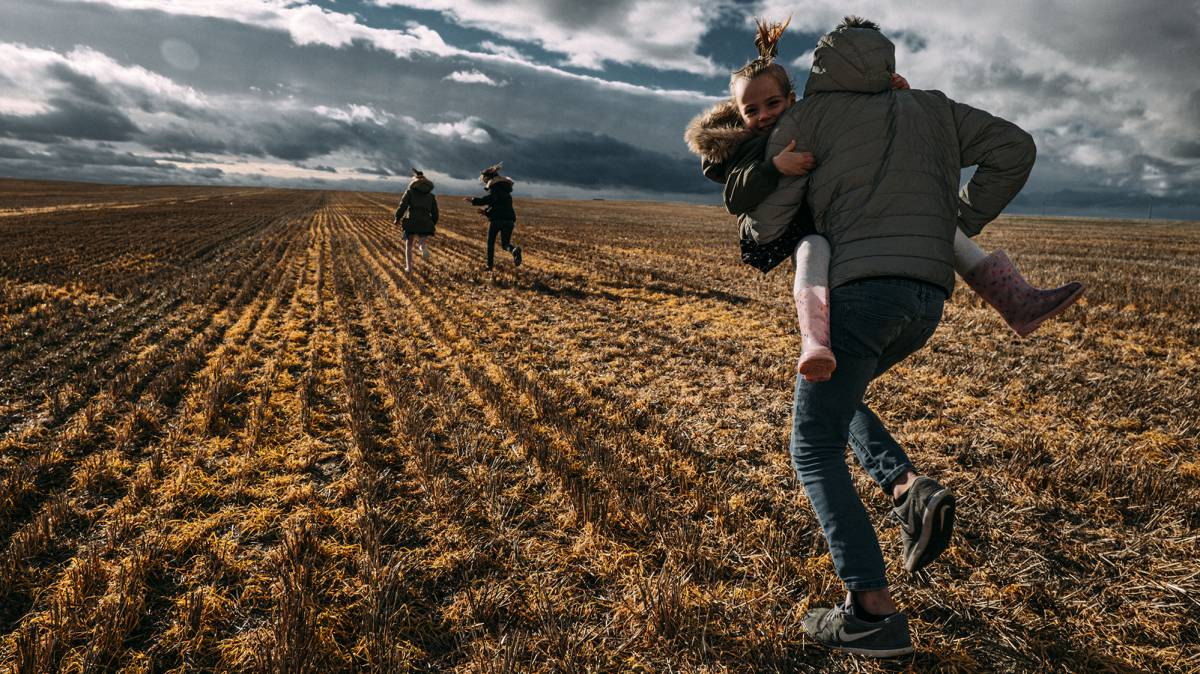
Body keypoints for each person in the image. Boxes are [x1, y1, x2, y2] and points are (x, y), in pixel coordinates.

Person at [686, 15, 1066, 657]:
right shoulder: (930, 106)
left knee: (811, 446)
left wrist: (759, 235)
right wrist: (960, 215)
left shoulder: (815, 119)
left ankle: (872, 611)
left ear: (819, 73)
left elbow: (768, 210)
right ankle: (905, 489)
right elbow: (1016, 147)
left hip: (861, 293)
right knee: (839, 396)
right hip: (927, 297)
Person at [684, 19, 1083, 385]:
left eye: (773, 104)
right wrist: (773, 167)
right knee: (814, 250)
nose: (764, 115)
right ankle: (815, 339)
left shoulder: (810, 116)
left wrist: (884, 91)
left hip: (826, 219)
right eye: (751, 110)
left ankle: (1016, 300)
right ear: (738, 115)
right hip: (785, 233)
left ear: (792, 98)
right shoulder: (746, 147)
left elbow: (849, 116)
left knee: (932, 225)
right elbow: (738, 200)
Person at [464, 162, 522, 271]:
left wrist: (474, 200)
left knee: (490, 244)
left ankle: (489, 267)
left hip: (497, 221)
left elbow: (491, 200)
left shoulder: (495, 188)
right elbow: (497, 206)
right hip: (509, 220)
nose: (484, 182)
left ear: (489, 179)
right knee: (505, 244)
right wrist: (485, 212)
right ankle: (514, 250)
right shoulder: (506, 191)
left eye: (484, 180)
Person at [393, 168, 438, 272]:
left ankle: (409, 268)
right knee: (421, 242)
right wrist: (432, 223)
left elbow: (402, 206)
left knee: (409, 245)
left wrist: (397, 218)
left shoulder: (410, 192)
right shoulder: (431, 196)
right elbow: (435, 212)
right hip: (425, 222)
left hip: (411, 221)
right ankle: (423, 247)